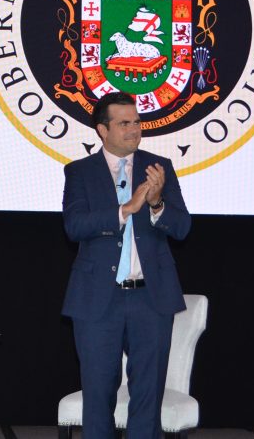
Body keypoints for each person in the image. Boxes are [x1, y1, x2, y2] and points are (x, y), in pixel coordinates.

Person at [62, 91, 191, 438]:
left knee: (148, 397)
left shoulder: (157, 169)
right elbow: (74, 226)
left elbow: (182, 227)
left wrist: (156, 202)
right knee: (98, 395)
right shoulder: (79, 172)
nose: (134, 129)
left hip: (150, 299)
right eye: (124, 123)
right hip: (96, 300)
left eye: (136, 122)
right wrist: (124, 211)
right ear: (102, 130)